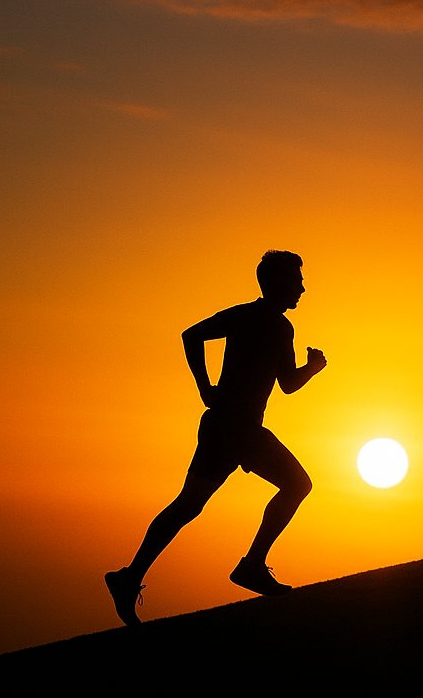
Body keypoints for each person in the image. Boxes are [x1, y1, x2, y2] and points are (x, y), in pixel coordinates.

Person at [105, 250, 327, 626]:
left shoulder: (280, 327)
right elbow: (191, 335)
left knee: (192, 505)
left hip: (242, 430)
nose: (303, 288)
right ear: (277, 283)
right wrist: (204, 386)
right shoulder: (247, 316)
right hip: (229, 428)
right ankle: (250, 566)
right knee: (290, 485)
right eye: (297, 280)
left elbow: (286, 383)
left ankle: (130, 577)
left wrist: (312, 368)